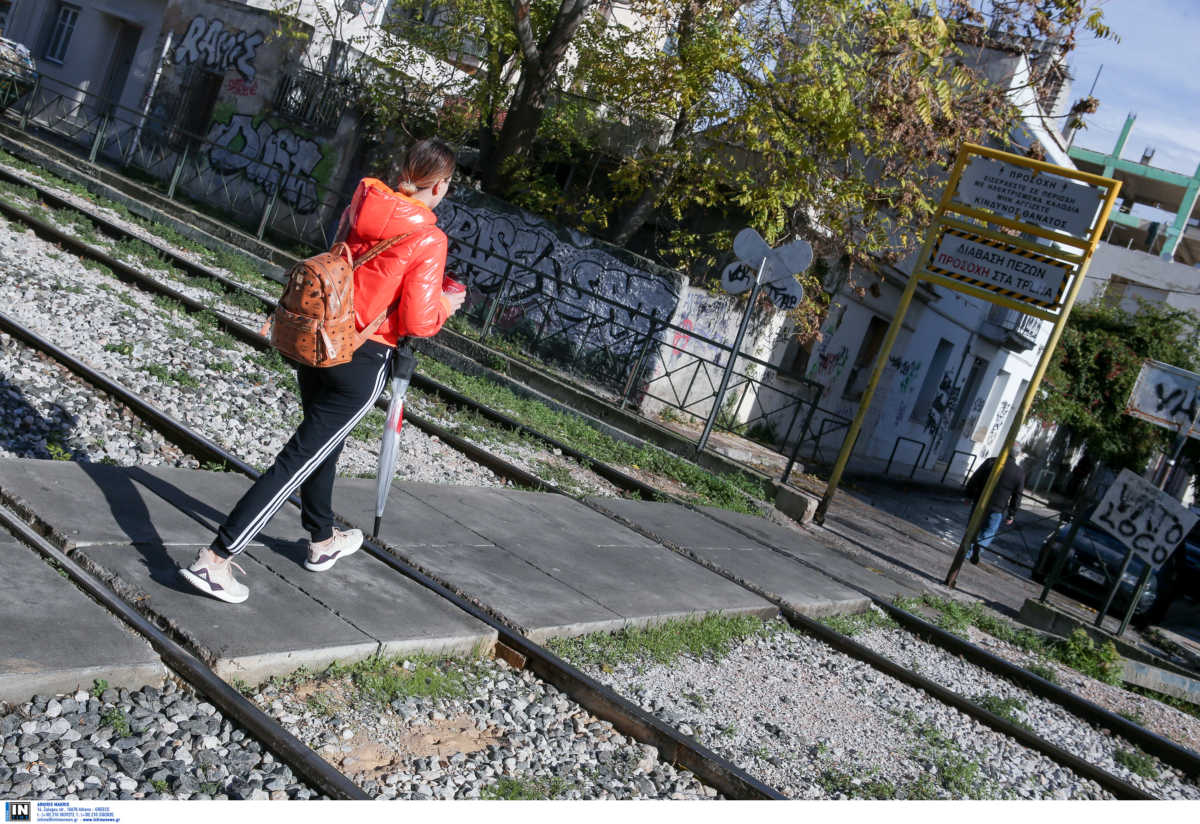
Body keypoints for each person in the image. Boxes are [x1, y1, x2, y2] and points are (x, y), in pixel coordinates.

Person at [180, 138, 466, 604]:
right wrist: (447, 306)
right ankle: (215, 560)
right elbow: (417, 320)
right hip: (364, 354)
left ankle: (321, 540)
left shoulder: (364, 199)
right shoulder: (429, 238)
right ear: (440, 185)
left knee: (321, 446)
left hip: (318, 340)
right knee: (299, 460)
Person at [964, 443, 1026, 565]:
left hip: (980, 501)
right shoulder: (1019, 473)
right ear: (1017, 455)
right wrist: (1011, 514)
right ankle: (978, 546)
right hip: (998, 507)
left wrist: (968, 495)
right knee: (988, 532)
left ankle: (966, 552)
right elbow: (1017, 496)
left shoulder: (991, 462)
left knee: (972, 527)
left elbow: (975, 478)